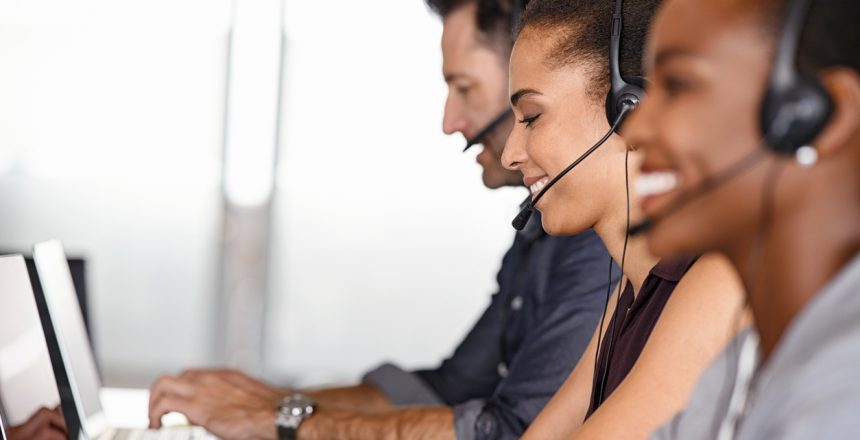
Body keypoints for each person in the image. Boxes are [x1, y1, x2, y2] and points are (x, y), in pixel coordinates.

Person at [147, 1, 616, 439]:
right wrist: (266, 404)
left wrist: (282, 420)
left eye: (465, 87)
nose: (450, 121)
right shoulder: (545, 228)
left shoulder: (605, 246)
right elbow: (453, 388)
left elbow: (505, 429)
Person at [499, 0, 747, 438]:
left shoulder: (720, 279)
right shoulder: (631, 290)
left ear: (628, 106)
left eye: (532, 117)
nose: (510, 154)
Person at [620, 0, 860, 437]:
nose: (635, 132)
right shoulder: (747, 361)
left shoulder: (845, 386)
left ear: (812, 113)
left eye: (677, 85)